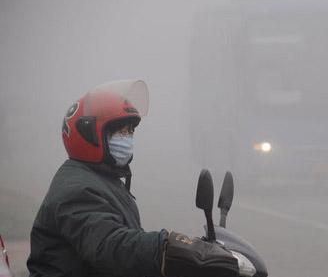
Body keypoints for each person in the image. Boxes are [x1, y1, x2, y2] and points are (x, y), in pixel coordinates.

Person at [27, 80, 239, 277]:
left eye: (130, 131)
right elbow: (111, 246)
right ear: (89, 134)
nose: (127, 138)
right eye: (120, 132)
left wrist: (194, 248)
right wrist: (168, 247)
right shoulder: (77, 189)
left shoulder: (101, 180)